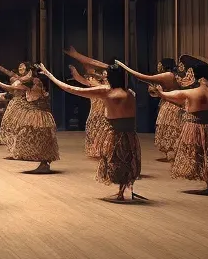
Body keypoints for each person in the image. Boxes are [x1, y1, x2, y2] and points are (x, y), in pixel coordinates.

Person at [40, 62, 141, 202]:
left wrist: (49, 75)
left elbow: (71, 88)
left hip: (116, 133)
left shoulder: (107, 91)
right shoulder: (130, 93)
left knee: (116, 161)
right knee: (128, 160)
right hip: (130, 133)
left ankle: (121, 193)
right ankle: (122, 190)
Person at [146, 60, 208, 194]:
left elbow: (171, 95)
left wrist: (160, 93)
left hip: (194, 127)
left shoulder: (193, 92)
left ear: (196, 76)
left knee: (199, 153)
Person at [0, 70, 59, 173]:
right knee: (35, 137)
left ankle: (44, 164)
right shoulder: (33, 85)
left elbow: (11, 87)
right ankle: (43, 163)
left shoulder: (34, 84)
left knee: (41, 139)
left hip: (40, 116)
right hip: (39, 115)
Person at [116, 58, 186, 161]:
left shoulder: (168, 75)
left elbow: (144, 77)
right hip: (172, 103)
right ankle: (174, 154)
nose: (158, 66)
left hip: (170, 104)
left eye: (160, 64)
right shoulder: (176, 76)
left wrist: (126, 68)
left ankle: (174, 154)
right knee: (171, 129)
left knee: (170, 129)